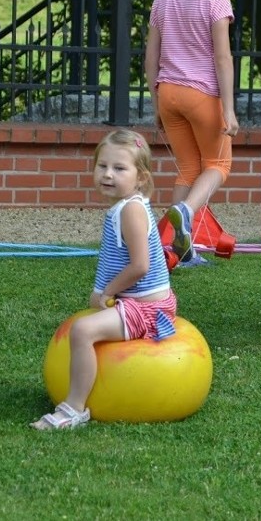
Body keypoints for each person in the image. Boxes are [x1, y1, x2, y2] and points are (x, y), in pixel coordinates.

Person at [31, 130, 177, 430]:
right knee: (87, 323)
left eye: (119, 168)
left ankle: (73, 409)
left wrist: (107, 292)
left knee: (83, 330)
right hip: (133, 303)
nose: (108, 174)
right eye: (102, 166)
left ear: (140, 178)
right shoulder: (127, 206)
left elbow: (140, 266)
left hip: (148, 310)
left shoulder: (132, 211)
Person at [144, 0, 238, 263]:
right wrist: (229, 108)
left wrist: (156, 101)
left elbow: (151, 58)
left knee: (187, 169)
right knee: (219, 165)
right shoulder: (217, 1)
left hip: (169, 93)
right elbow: (223, 59)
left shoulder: (162, 1)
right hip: (202, 95)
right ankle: (185, 211)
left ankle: (178, 250)